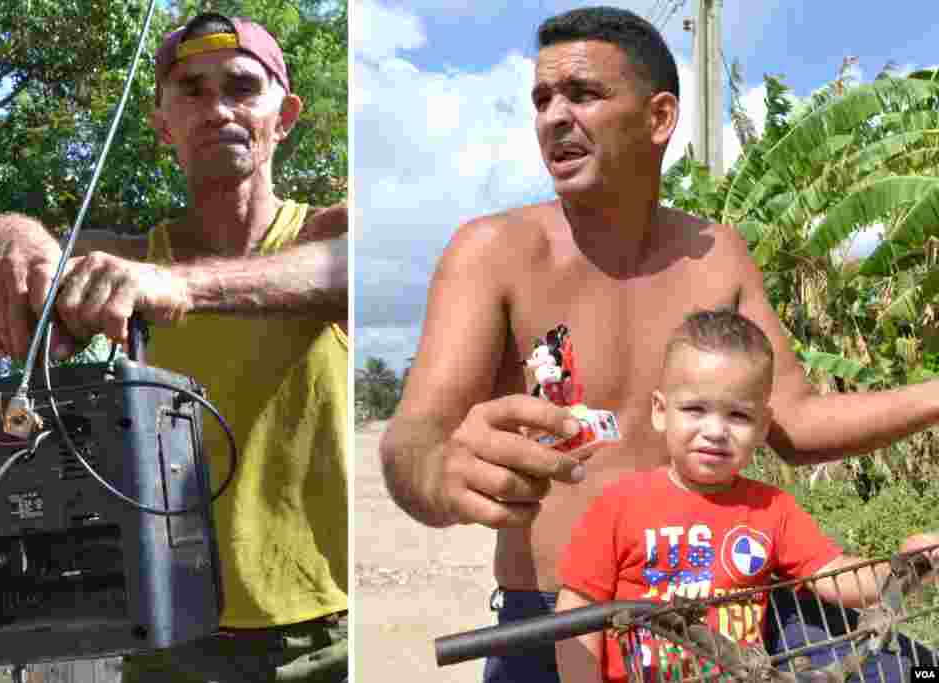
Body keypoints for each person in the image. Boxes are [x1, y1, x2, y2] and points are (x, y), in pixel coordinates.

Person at [379, 6, 939, 682]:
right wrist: (440, 475)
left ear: (659, 117)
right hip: (561, 622)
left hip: (725, 616)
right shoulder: (492, 252)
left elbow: (795, 420)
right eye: (542, 99)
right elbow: (414, 438)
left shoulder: (718, 256)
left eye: (582, 93)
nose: (554, 116)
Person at [0, 12, 347, 683]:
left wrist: (181, 285)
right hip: (166, 637)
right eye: (192, 91)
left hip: (328, 639)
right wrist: (6, 237)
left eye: (242, 87)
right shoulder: (127, 258)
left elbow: (345, 269)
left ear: (284, 116)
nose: (218, 109)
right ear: (162, 125)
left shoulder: (326, 233)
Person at [554, 309, 939, 683]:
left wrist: (907, 568)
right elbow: (577, 614)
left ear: (762, 426)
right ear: (660, 411)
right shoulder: (618, 505)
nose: (715, 431)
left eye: (738, 416)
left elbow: (835, 578)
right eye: (695, 409)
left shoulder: (771, 508)